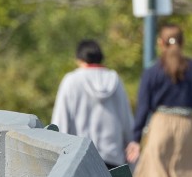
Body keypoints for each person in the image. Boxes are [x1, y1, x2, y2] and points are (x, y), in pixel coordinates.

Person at [129, 25, 192, 177]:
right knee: (186, 167)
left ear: (160, 43)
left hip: (160, 124)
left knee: (155, 166)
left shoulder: (152, 71)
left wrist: (135, 139)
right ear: (182, 43)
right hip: (187, 125)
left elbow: (143, 107)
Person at [50, 40, 133, 169]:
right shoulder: (115, 80)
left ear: (78, 59)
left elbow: (61, 121)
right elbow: (126, 119)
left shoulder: (71, 80)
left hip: (78, 157)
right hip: (113, 157)